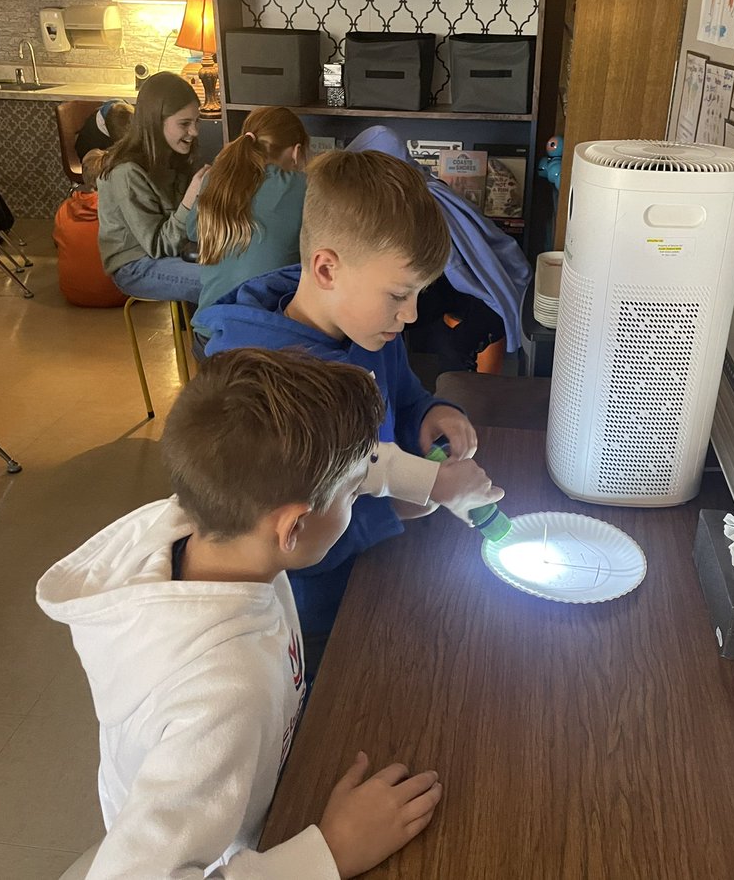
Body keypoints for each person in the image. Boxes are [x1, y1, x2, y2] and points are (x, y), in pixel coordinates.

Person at [36, 347, 444, 879]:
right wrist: (330, 854)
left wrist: (427, 481)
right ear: (292, 529)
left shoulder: (207, 515)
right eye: (350, 492)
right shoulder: (224, 695)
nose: (356, 493)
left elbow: (337, 470)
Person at [195, 149, 504, 670]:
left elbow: (402, 396)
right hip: (313, 614)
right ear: (326, 268)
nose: (409, 315)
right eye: (398, 295)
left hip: (381, 570)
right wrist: (398, 507)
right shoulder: (266, 387)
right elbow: (287, 544)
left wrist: (432, 411)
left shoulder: (370, 327)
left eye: (418, 295)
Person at [347, 126, 531, 373]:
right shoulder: (408, 196)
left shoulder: (427, 201)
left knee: (454, 347)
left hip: (483, 289)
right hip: (451, 283)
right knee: (383, 315)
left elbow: (457, 267)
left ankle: (461, 402)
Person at [188, 106, 309, 339]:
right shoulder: (300, 186)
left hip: (208, 339)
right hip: (263, 346)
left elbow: (193, 231)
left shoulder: (215, 179)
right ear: (296, 152)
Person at [96, 72, 207, 303]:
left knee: (241, 270)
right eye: (185, 124)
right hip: (135, 266)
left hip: (175, 253)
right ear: (156, 122)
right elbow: (158, 246)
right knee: (221, 282)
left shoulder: (174, 156)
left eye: (197, 121)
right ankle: (208, 340)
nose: (194, 131)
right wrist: (190, 200)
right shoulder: (126, 172)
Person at [54, 149, 127, 308]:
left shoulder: (64, 208)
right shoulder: (122, 208)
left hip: (72, 293)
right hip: (119, 294)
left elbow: (57, 244)